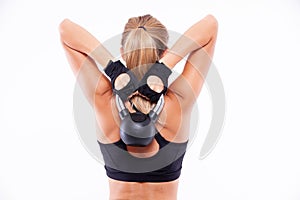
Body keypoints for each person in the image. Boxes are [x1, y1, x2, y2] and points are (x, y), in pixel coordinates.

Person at [59, 14, 218, 200]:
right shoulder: (179, 102)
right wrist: (163, 68)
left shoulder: (103, 99)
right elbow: (210, 26)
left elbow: (65, 30)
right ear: (163, 52)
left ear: (123, 52)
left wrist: (114, 69)